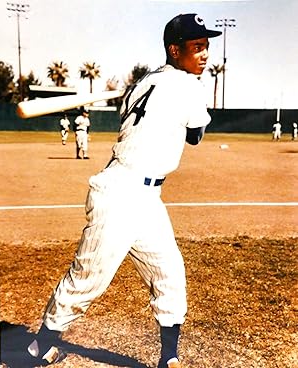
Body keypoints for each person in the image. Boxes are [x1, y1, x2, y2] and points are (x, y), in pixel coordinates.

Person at [27, 13, 221, 368]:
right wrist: (195, 99)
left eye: (206, 46)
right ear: (174, 50)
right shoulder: (185, 85)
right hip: (120, 193)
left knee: (169, 274)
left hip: (146, 198)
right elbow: (195, 136)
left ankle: (169, 357)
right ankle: (39, 346)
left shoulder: (146, 82)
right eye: (196, 47)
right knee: (87, 280)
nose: (204, 54)